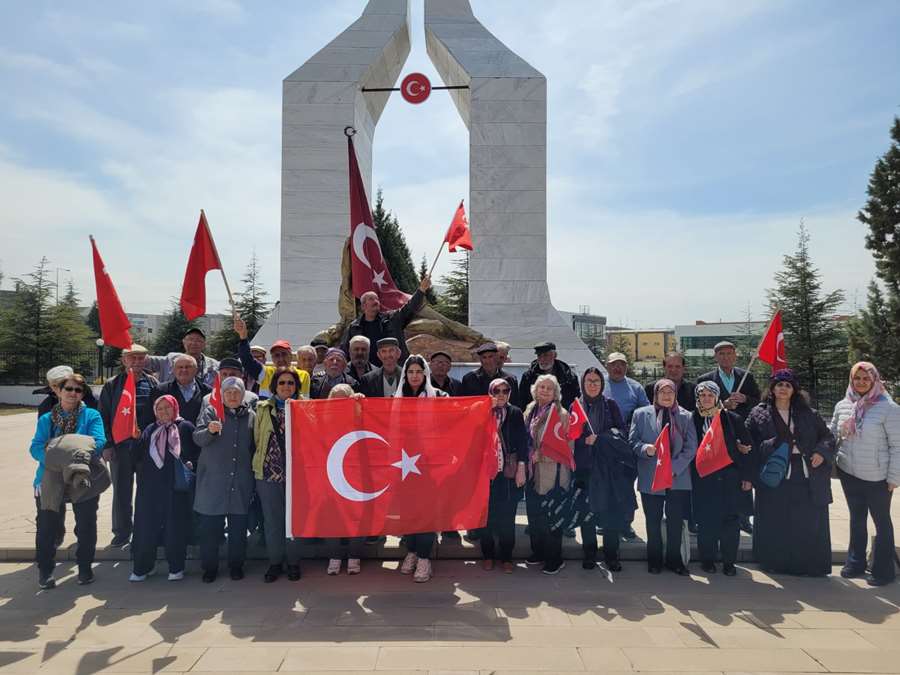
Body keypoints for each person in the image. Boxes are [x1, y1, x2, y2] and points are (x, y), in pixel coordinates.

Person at [746, 369, 835, 577]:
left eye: (787, 385)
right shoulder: (758, 413)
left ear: (794, 389)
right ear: (772, 389)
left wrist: (821, 452)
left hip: (804, 473)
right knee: (776, 520)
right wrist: (770, 445)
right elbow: (748, 442)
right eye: (779, 385)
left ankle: (806, 565)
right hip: (774, 474)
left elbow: (828, 437)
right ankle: (776, 563)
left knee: (806, 520)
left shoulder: (808, 413)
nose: (783, 389)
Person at [30, 373, 106, 589]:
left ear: (82, 394)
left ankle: (85, 568)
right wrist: (58, 459)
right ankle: (45, 571)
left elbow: (99, 441)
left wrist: (65, 454)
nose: (73, 393)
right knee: (47, 526)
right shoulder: (47, 419)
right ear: (59, 391)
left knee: (86, 525)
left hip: (82, 474)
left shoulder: (91, 415)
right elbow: (36, 446)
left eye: (78, 390)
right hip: (50, 476)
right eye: (69, 389)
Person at [831, 362, 900, 586]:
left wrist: (894, 477)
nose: (861, 382)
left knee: (882, 522)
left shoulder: (888, 408)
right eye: (857, 378)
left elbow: (897, 445)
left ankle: (883, 570)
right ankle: (855, 562)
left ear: (874, 380)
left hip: (877, 476)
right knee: (857, 518)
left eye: (866, 378)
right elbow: (833, 435)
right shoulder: (843, 405)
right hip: (849, 472)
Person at [630, 379, 697, 575]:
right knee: (653, 520)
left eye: (670, 392)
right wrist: (645, 449)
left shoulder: (686, 416)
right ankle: (654, 560)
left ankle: (674, 560)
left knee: (675, 521)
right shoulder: (641, 414)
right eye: (662, 392)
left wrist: (673, 468)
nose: (667, 396)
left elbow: (691, 447)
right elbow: (633, 441)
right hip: (651, 476)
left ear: (675, 394)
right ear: (656, 394)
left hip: (677, 477)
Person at [193, 376, 257, 583]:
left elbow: (255, 446)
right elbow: (198, 438)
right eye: (228, 392)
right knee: (210, 531)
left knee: (238, 531)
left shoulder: (251, 416)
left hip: (240, 483)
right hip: (213, 483)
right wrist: (210, 431)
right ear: (222, 395)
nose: (232, 396)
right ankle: (209, 568)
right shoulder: (211, 412)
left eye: (236, 392)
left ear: (243, 394)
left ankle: (236, 566)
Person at [129, 396, 198, 582]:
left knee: (174, 527)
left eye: (168, 407)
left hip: (175, 487)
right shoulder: (150, 429)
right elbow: (136, 456)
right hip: (150, 487)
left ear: (175, 408)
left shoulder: (185, 427)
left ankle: (176, 567)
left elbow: (196, 452)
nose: (164, 411)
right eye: (159, 408)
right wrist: (135, 439)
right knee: (145, 527)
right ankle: (142, 568)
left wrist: (190, 464)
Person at [98, 344, 159, 547]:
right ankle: (122, 532)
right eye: (132, 358)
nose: (137, 361)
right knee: (122, 491)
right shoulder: (112, 384)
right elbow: (103, 416)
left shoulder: (153, 383)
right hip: (120, 447)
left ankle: (144, 529)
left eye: (141, 358)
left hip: (146, 447)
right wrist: (107, 444)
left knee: (146, 490)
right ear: (124, 360)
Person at [697, 341, 760, 535]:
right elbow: (701, 406)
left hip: (742, 433)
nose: (726, 357)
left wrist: (745, 399)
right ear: (715, 356)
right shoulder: (706, 379)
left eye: (729, 353)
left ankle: (744, 518)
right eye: (721, 354)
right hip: (718, 437)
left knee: (743, 476)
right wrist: (722, 405)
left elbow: (758, 401)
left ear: (735, 355)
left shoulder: (746, 376)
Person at [395, 355, 449, 582]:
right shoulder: (396, 399)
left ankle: (425, 558)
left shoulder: (440, 397)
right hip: (404, 464)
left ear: (425, 374)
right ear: (405, 375)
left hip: (429, 465)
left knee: (426, 512)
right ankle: (412, 551)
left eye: (419, 371)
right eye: (411, 372)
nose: (415, 376)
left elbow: (456, 420)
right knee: (408, 511)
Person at [691, 381, 753, 576]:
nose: (706, 399)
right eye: (703, 395)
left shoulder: (731, 419)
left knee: (730, 521)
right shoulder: (691, 419)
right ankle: (707, 560)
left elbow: (747, 447)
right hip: (704, 479)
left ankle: (729, 562)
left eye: (710, 395)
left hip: (729, 479)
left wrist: (747, 476)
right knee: (706, 522)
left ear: (717, 397)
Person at [573, 367, 630, 572]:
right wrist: (583, 441)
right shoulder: (576, 406)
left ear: (602, 384)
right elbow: (570, 436)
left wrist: (601, 439)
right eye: (588, 381)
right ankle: (589, 553)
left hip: (608, 469)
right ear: (583, 383)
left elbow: (621, 431)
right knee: (586, 513)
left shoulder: (610, 405)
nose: (592, 385)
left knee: (610, 513)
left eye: (596, 381)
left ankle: (611, 554)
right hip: (584, 468)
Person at [253, 367, 304, 582]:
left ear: (297, 386)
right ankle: (275, 562)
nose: (286, 386)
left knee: (294, 520)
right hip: (268, 473)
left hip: (298, 476)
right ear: (274, 386)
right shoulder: (262, 408)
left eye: (290, 383)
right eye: (282, 382)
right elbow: (256, 438)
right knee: (272, 520)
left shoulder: (306, 407)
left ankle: (293, 562)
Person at [523, 374, 572, 575]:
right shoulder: (530, 409)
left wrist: (541, 456)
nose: (544, 391)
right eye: (541, 387)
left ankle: (554, 559)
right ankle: (538, 552)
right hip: (532, 471)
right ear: (535, 390)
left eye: (549, 388)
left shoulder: (561, 414)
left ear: (555, 393)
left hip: (553, 473)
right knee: (534, 515)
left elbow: (568, 447)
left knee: (551, 517)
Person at [479, 378, 527, 573]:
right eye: (496, 391)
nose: (501, 394)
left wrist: (521, 467)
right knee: (487, 517)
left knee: (507, 517)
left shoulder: (515, 412)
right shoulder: (482, 411)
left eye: (505, 391)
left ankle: (507, 557)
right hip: (486, 473)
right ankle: (488, 555)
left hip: (507, 472)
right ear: (490, 392)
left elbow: (522, 441)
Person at [604, 352, 649, 541]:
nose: (618, 368)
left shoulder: (636, 387)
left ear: (626, 367)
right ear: (607, 366)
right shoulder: (599, 383)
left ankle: (625, 523)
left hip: (627, 445)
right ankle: (605, 522)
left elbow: (646, 413)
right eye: (614, 364)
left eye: (622, 364)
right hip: (604, 444)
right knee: (605, 485)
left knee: (626, 486)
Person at [340, 275, 432, 367]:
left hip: (392, 370)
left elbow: (409, 308)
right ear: (363, 306)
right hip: (366, 371)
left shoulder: (392, 319)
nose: (376, 301)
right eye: (371, 299)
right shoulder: (354, 327)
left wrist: (421, 290)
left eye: (377, 299)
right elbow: (344, 350)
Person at [325, 384, 366, 575]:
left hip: (356, 476)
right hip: (331, 476)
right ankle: (334, 556)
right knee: (332, 516)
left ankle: (354, 556)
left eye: (344, 400)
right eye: (335, 400)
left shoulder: (360, 418)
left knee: (356, 515)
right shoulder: (322, 420)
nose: (339, 404)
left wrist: (360, 404)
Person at [235, 317, 311, 400]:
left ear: (291, 355)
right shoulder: (266, 373)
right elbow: (247, 361)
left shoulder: (303, 375)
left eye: (284, 354)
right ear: (272, 358)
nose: (281, 359)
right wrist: (243, 337)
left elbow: (304, 402)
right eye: (277, 355)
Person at [145, 327, 220, 387]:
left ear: (204, 344)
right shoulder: (170, 359)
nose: (194, 343)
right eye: (190, 339)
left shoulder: (214, 365)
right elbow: (144, 360)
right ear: (184, 342)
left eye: (198, 340)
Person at [151, 354, 211, 425]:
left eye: (188, 367)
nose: (184, 370)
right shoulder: (160, 390)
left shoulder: (207, 391)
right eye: (180, 367)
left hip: (199, 431)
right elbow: (152, 418)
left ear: (196, 369)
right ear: (173, 370)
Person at [519, 342, 581, 410]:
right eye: (539, 356)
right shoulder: (528, 377)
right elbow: (521, 403)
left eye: (546, 355)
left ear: (555, 355)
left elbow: (576, 403)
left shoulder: (569, 377)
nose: (542, 359)